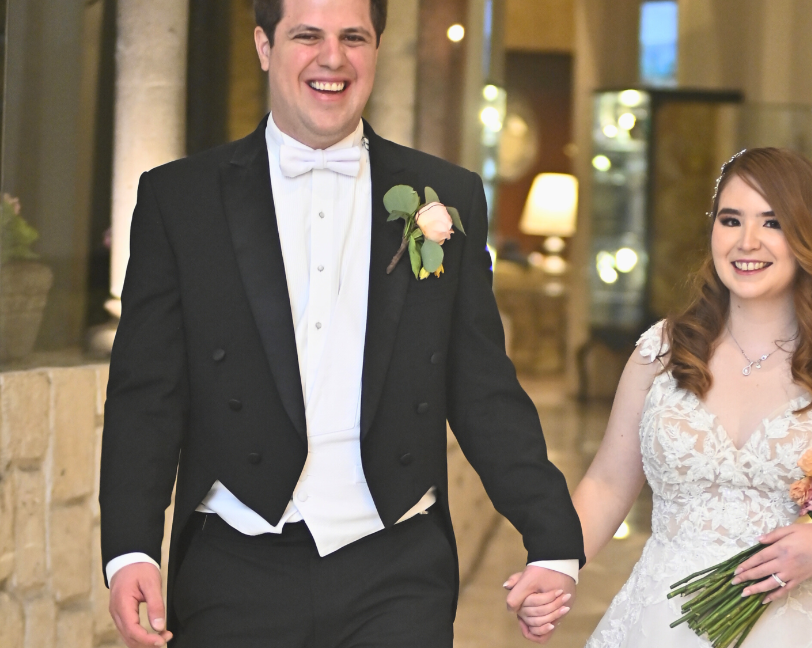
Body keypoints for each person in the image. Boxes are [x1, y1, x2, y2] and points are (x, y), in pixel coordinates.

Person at [99, 1, 582, 646]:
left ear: (377, 49)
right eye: (308, 36)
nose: (333, 58)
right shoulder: (179, 199)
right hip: (235, 563)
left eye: (354, 37)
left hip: (397, 563)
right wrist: (130, 549)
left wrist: (551, 540)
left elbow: (482, 386)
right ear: (264, 45)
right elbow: (146, 395)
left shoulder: (445, 196)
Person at [509, 148, 812, 646]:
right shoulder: (662, 352)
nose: (746, 242)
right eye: (731, 219)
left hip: (809, 623)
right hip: (666, 618)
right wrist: (557, 563)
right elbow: (608, 484)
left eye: (773, 222)